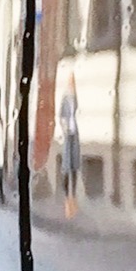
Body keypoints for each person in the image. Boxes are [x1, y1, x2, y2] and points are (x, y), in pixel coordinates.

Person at [55, 73, 82, 216]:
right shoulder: (66, 98)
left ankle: (74, 194)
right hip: (67, 134)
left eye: (73, 82)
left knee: (75, 163)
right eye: (71, 82)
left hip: (75, 133)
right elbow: (61, 115)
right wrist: (64, 127)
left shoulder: (76, 98)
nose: (72, 85)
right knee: (67, 163)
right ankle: (66, 195)